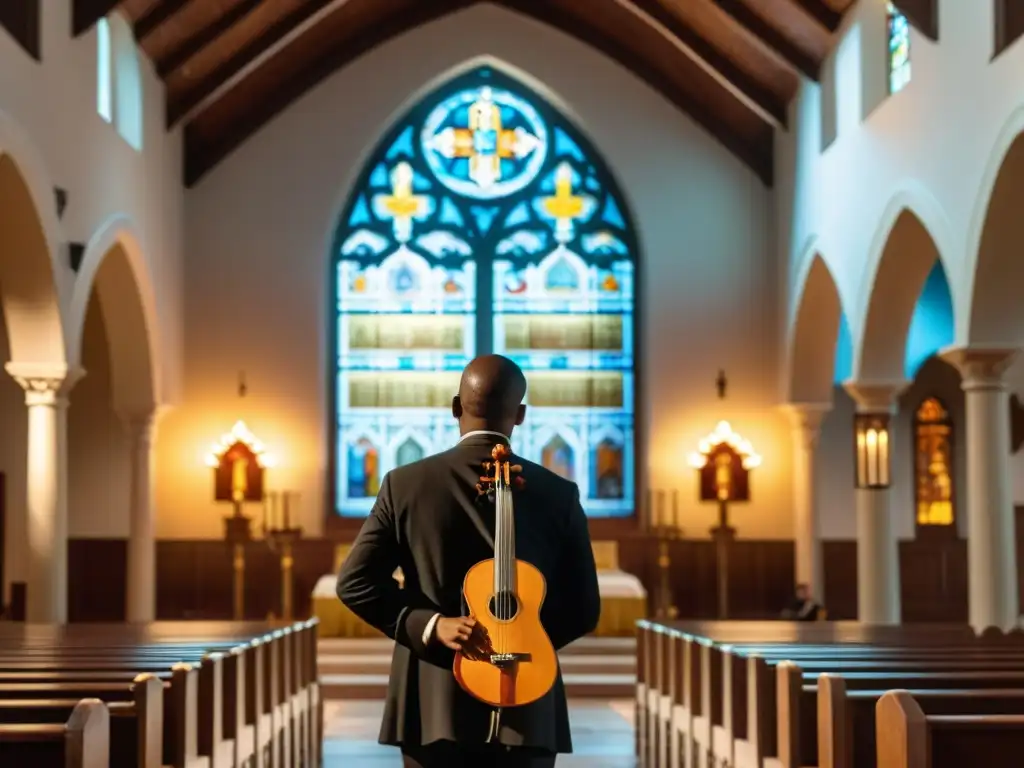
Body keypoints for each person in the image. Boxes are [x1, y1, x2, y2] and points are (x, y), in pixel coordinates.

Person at [336, 354, 602, 767]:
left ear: (455, 406)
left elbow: (355, 582)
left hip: (431, 706)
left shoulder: (405, 486)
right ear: (522, 415)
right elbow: (584, 610)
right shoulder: (557, 493)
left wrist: (429, 625)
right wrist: (520, 644)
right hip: (526, 703)